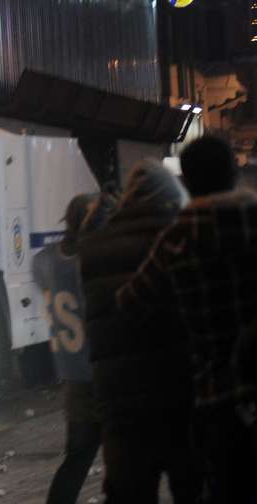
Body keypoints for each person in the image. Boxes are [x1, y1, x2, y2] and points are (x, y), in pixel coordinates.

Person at [116, 136, 257, 503]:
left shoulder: (176, 238)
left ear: (188, 183)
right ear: (234, 174)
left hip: (215, 399)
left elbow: (130, 302)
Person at [79, 160, 198, 503]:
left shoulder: (94, 248)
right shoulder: (181, 236)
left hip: (120, 401)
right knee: (190, 486)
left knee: (129, 492)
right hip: (179, 393)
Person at [33, 193, 101, 504]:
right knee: (128, 459)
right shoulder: (96, 259)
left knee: (76, 458)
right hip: (104, 370)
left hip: (73, 376)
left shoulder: (45, 260)